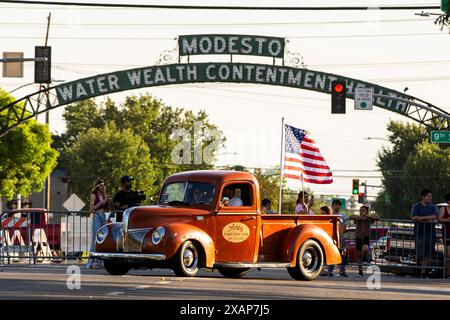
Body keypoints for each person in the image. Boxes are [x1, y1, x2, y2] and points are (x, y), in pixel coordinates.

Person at [411, 189, 438, 278]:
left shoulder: (433, 207)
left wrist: (421, 218)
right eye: (428, 196)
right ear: (423, 196)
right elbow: (413, 217)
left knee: (427, 254)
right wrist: (427, 219)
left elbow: (434, 217)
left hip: (430, 233)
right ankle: (420, 267)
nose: (430, 197)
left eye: (431, 196)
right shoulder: (416, 206)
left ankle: (423, 272)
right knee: (420, 253)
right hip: (419, 233)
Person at [349, 205, 379, 278]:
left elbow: (377, 217)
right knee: (359, 255)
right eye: (360, 211)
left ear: (367, 211)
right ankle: (360, 272)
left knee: (365, 248)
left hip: (366, 236)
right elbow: (351, 216)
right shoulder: (358, 218)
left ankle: (365, 258)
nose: (361, 212)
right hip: (358, 236)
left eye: (363, 211)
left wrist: (367, 216)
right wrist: (360, 217)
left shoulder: (369, 219)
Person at [87, 178, 108, 269]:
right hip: (96, 215)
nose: (103, 187)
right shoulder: (93, 195)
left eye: (103, 185)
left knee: (102, 238)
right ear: (97, 186)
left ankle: (100, 262)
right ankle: (90, 262)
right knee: (95, 238)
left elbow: (106, 207)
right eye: (101, 185)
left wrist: (106, 199)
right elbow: (91, 208)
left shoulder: (103, 194)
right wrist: (101, 203)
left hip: (103, 215)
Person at [327, 199, 349, 277]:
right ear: (332, 206)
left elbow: (345, 227)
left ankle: (342, 271)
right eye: (335, 205)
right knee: (331, 253)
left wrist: (340, 235)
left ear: (340, 206)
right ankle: (330, 271)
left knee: (342, 254)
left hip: (340, 238)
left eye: (338, 205)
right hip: (331, 238)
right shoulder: (329, 215)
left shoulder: (343, 216)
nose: (337, 206)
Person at [438, 193, 450, 278]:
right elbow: (439, 219)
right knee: (448, 254)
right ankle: (448, 273)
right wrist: (447, 219)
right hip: (447, 233)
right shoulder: (443, 208)